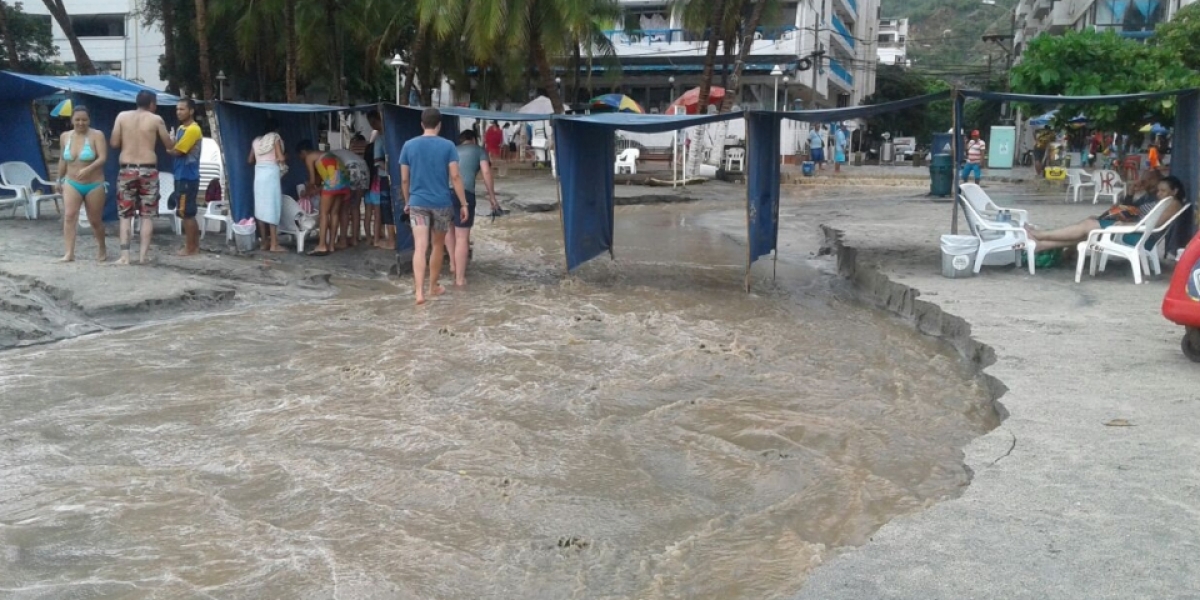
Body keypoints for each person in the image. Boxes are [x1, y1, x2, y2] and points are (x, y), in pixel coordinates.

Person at [399, 108, 469, 305]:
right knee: (438, 245)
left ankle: (419, 293)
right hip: (441, 203)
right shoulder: (448, 146)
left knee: (420, 247)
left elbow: (405, 179)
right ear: (439, 124)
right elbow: (455, 176)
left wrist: (407, 201)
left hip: (417, 203)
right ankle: (433, 287)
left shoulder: (408, 146)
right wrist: (464, 203)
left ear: (422, 124)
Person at [1025, 171, 1184, 251]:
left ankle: (1042, 235)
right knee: (1089, 229)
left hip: (1138, 236)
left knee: (1089, 225)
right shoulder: (1159, 200)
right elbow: (1132, 209)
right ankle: (1043, 245)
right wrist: (1129, 197)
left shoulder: (1173, 203)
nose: (1159, 193)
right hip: (1133, 230)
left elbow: (1156, 224)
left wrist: (1127, 225)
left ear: (1175, 191)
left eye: (1163, 190)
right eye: (1159, 190)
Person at [110, 89, 173, 264]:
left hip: (127, 170)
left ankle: (125, 256)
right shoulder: (156, 119)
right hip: (148, 170)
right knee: (147, 215)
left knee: (125, 215)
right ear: (152, 104)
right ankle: (143, 257)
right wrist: (173, 138)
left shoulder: (121, 117)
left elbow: (114, 143)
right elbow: (169, 145)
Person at [444, 130, 500, 287]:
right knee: (462, 237)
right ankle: (460, 280)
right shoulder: (479, 150)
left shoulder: (452, 149)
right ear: (474, 139)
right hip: (465, 193)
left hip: (445, 193)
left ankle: (453, 266)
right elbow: (486, 171)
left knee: (449, 229)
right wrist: (492, 197)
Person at [54, 105, 108, 262]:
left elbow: (102, 158)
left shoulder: (97, 135)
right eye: (77, 119)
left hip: (94, 183)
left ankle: (102, 246)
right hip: (71, 182)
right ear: (72, 120)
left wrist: (89, 169)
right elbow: (63, 159)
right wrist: (59, 178)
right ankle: (69, 253)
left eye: (84, 120)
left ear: (89, 120)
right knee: (69, 216)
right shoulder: (65, 136)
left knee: (95, 220)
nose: (81, 123)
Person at [299, 140, 349, 256]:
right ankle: (331, 245)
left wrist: (307, 192)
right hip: (344, 181)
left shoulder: (309, 157)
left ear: (303, 152)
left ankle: (321, 245)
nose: (301, 159)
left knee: (323, 214)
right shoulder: (326, 154)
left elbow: (312, 181)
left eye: (300, 155)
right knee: (335, 213)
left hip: (332, 183)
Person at [168, 97, 203, 256]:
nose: (179, 112)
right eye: (177, 109)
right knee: (187, 212)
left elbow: (178, 151)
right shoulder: (182, 128)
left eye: (182, 109)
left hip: (188, 176)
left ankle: (190, 247)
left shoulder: (193, 130)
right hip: (181, 175)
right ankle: (193, 246)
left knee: (186, 213)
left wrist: (169, 147)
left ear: (191, 111)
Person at [248, 118, 286, 252]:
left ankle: (264, 242)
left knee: (260, 208)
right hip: (271, 175)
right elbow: (281, 158)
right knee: (272, 207)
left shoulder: (256, 141)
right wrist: (281, 158)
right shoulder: (275, 138)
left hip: (258, 175)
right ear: (276, 129)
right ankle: (274, 244)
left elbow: (250, 160)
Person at [333, 141, 370, 248]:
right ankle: (354, 239)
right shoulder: (342, 152)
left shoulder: (327, 157)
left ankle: (343, 240)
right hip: (363, 168)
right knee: (355, 207)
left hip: (351, 168)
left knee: (344, 208)